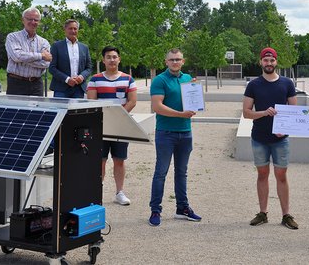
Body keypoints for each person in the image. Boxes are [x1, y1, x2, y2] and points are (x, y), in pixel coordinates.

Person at [243, 47, 299, 229]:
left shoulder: (287, 83)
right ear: (261, 62)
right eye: (265, 60)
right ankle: (263, 212)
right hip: (259, 137)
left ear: (276, 62)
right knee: (262, 174)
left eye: (272, 60)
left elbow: (294, 111)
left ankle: (286, 215)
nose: (269, 63)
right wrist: (263, 113)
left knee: (281, 175)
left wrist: (286, 128)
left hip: (280, 139)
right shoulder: (253, 85)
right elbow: (246, 113)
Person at [148, 48, 201, 227]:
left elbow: (193, 102)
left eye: (178, 59)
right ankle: (155, 210)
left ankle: (182, 208)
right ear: (166, 62)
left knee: (182, 172)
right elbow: (157, 106)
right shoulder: (159, 80)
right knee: (160, 172)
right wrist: (180, 114)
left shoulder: (188, 80)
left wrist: (195, 94)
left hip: (185, 132)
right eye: (171, 60)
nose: (175, 62)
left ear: (183, 61)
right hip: (166, 133)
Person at [87, 46, 136, 205]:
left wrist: (118, 117)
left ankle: (119, 193)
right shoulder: (95, 79)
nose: (112, 60)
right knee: (99, 161)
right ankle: (96, 192)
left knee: (119, 160)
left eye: (114, 57)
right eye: (108, 57)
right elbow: (91, 102)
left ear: (119, 59)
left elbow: (132, 101)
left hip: (120, 126)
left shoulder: (128, 79)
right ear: (103, 60)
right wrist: (105, 119)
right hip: (101, 127)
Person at [5, 7, 52, 96]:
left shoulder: (44, 42)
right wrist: (41, 56)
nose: (33, 22)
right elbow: (17, 56)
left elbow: (46, 64)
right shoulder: (12, 37)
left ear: (39, 22)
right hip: (16, 83)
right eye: (30, 19)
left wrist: (24, 59)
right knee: (15, 110)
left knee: (37, 110)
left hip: (36, 84)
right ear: (23, 20)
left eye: (36, 20)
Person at [49, 19, 92, 99]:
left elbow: (89, 68)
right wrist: (67, 79)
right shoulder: (56, 46)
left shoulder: (84, 47)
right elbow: (52, 68)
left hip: (78, 88)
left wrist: (81, 77)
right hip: (61, 88)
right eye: (70, 28)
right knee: (61, 111)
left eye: (75, 29)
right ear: (65, 29)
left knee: (77, 111)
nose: (73, 31)